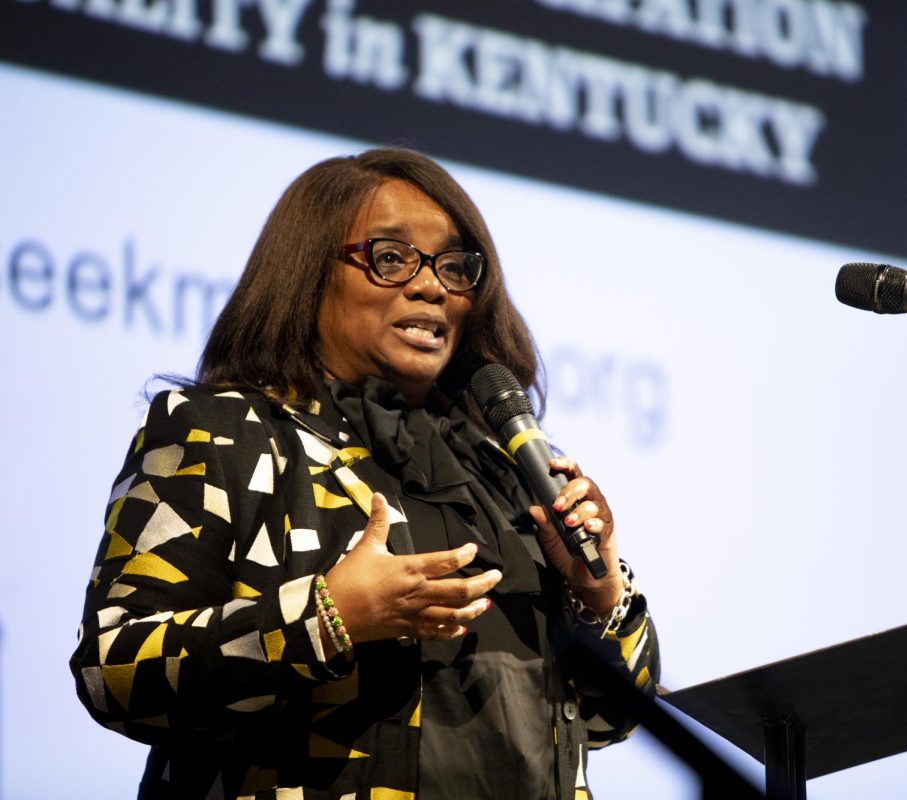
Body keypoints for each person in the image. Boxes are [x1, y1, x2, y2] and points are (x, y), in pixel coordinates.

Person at [69, 148, 660, 799]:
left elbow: (614, 717)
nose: (432, 285)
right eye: (391, 257)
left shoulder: (503, 473)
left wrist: (599, 597)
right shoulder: (224, 429)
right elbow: (115, 669)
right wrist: (329, 618)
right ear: (309, 274)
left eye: (455, 266)